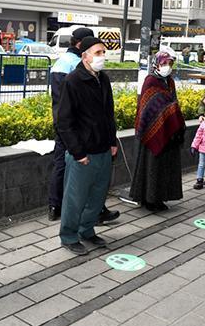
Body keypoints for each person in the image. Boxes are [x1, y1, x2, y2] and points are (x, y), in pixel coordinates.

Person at [48, 27, 119, 224]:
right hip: (78, 139)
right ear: (83, 51)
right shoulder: (72, 76)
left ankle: (83, 221)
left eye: (103, 52)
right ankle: (69, 226)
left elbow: (107, 113)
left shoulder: (101, 78)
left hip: (97, 144)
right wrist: (78, 150)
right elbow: (65, 114)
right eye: (98, 52)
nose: (102, 56)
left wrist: (111, 140)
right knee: (74, 185)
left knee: (96, 188)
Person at [130, 48, 186, 209]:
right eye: (164, 63)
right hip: (152, 131)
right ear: (156, 64)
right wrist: (168, 112)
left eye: (170, 63)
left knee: (165, 167)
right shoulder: (150, 81)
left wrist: (173, 117)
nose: (167, 66)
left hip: (168, 131)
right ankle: (149, 199)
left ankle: (160, 197)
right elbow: (147, 109)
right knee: (152, 167)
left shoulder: (170, 82)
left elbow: (172, 103)